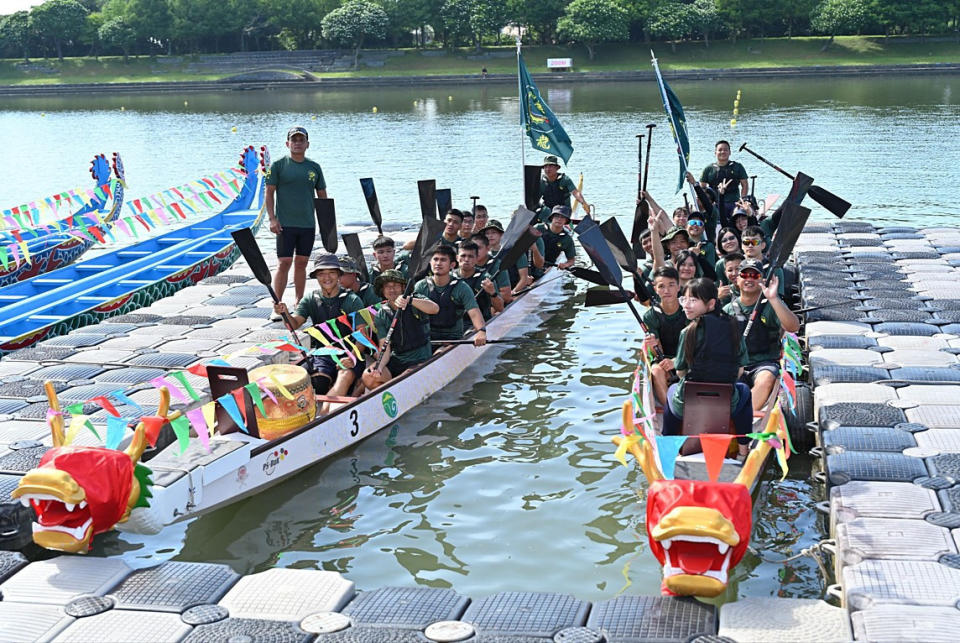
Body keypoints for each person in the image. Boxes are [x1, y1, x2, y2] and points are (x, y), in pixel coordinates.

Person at [664, 278, 754, 457]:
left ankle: (668, 447)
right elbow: (740, 371)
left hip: (688, 402)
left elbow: (681, 371)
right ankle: (744, 448)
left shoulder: (687, 332)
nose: (686, 306)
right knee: (744, 390)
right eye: (685, 299)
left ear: (711, 303)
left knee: (672, 390)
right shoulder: (734, 328)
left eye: (693, 300)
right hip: (727, 401)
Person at [275, 254, 364, 412]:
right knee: (318, 383)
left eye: (331, 273)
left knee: (344, 377)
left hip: (349, 352)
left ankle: (322, 416)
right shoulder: (310, 298)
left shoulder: (353, 300)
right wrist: (285, 313)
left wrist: (352, 357)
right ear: (316, 277)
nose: (327, 278)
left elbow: (362, 335)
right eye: (322, 274)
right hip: (323, 353)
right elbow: (294, 324)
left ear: (338, 275)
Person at [266, 126, 327, 321]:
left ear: (307, 144)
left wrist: (327, 224)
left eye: (301, 140)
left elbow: (323, 196)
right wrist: (272, 219)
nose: (298, 143)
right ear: (288, 144)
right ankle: (277, 305)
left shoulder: (314, 167)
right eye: (294, 140)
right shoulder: (278, 165)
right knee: (284, 262)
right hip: (285, 224)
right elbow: (269, 193)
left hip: (308, 224)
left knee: (301, 263)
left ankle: (300, 303)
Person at [724, 258, 799, 411]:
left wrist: (773, 298)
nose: (749, 279)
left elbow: (793, 327)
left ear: (762, 280)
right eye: (745, 275)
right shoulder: (727, 310)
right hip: (735, 364)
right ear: (737, 280)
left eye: (755, 276)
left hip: (764, 363)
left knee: (766, 379)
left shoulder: (772, 305)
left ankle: (744, 418)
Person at [362, 269, 439, 390]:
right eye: (387, 286)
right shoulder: (381, 315)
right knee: (369, 376)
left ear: (403, 288)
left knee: (407, 374)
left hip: (421, 358)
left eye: (396, 286)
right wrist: (380, 366)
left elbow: (434, 309)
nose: (392, 290)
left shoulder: (415, 299)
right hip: (397, 359)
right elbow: (385, 346)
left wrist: (410, 301)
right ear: (382, 290)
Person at [413, 244, 487, 349]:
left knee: (440, 353)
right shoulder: (420, 286)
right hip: (427, 337)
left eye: (443, 260)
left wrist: (481, 331)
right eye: (435, 259)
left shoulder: (462, 288)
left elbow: (474, 312)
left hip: (452, 339)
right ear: (430, 262)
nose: (438, 263)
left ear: (452, 265)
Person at [642, 267, 685, 407]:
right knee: (656, 371)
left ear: (679, 287)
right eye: (661, 286)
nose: (667, 291)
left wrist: (677, 361)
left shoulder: (689, 309)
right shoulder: (650, 315)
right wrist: (652, 344)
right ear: (655, 289)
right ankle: (670, 410)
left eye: (671, 285)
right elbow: (656, 352)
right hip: (664, 359)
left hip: (688, 358)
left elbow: (697, 344)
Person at [700, 140, 749, 220]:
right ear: (715, 152)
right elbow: (702, 188)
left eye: (725, 150)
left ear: (730, 152)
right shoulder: (708, 169)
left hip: (734, 203)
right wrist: (707, 203)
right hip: (715, 204)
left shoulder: (738, 167)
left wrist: (742, 200)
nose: (723, 152)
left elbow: (745, 185)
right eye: (720, 150)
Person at [456, 241, 502, 320]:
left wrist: (493, 293)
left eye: (471, 256)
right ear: (457, 258)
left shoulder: (485, 279)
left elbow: (500, 308)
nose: (466, 259)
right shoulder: (449, 277)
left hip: (481, 323)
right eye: (463, 256)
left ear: (477, 258)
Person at [483, 219, 532, 292]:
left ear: (501, 235)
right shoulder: (482, 254)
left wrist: (513, 292)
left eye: (494, 232)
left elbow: (524, 279)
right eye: (487, 233)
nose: (490, 236)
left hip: (514, 289)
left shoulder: (516, 251)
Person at [540, 155, 589, 222]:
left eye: (551, 166)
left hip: (564, 210)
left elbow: (575, 192)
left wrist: (583, 203)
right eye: (546, 166)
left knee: (557, 215)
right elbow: (534, 199)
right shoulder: (541, 182)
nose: (548, 169)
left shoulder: (565, 179)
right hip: (548, 210)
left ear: (557, 168)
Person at [741, 224, 784, 297]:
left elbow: (778, 298)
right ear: (742, 246)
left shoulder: (773, 269)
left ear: (763, 245)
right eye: (746, 242)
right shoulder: (736, 266)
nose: (750, 245)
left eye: (755, 242)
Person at [472, 232, 512, 304]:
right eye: (473, 248)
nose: (475, 252)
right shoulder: (466, 264)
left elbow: (506, 297)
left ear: (488, 248)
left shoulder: (497, 265)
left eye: (479, 248)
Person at [536, 205, 576, 270]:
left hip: (548, 266)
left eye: (563, 217)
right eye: (556, 216)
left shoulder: (567, 239)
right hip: (532, 261)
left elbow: (571, 260)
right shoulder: (539, 228)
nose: (559, 219)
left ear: (566, 221)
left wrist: (565, 264)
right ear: (552, 218)